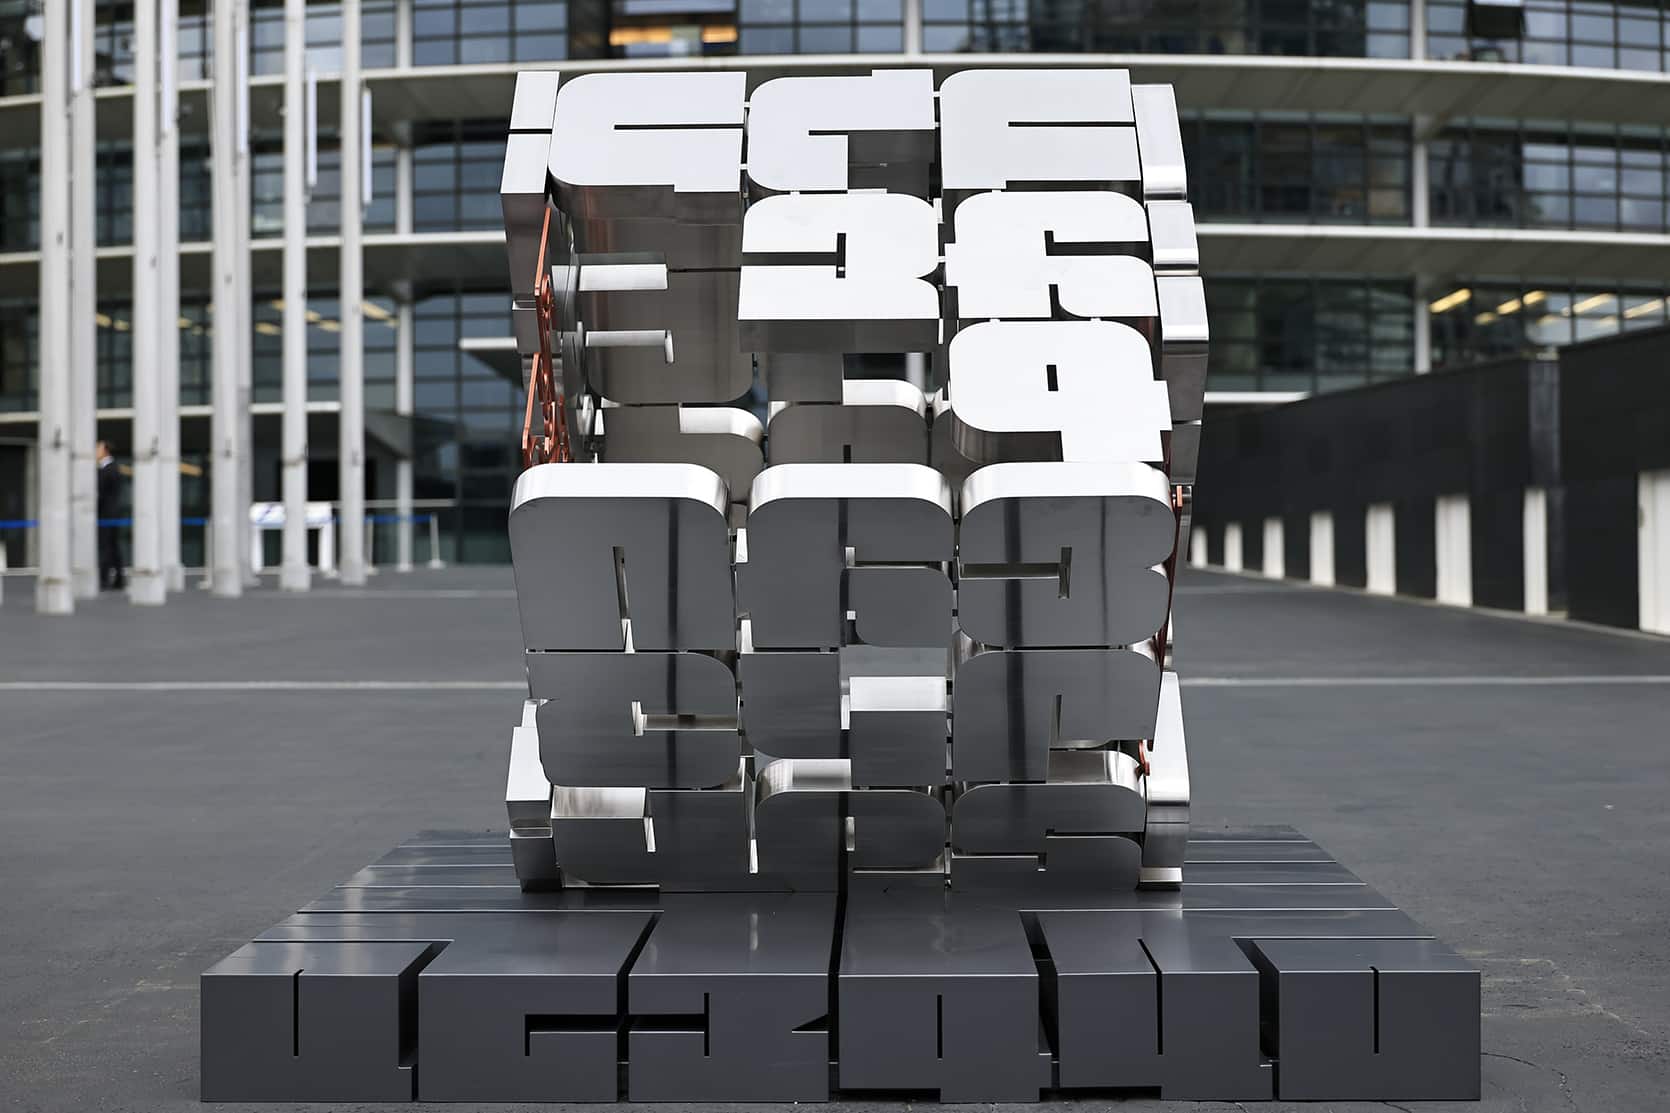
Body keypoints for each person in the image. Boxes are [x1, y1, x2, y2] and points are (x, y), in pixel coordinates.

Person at [96, 440, 126, 590]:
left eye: (98, 448)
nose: (96, 451)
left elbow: (102, 494)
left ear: (105, 451)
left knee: (106, 547)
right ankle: (119, 579)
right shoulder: (111, 468)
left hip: (107, 514)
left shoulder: (108, 469)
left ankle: (104, 580)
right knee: (113, 547)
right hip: (112, 513)